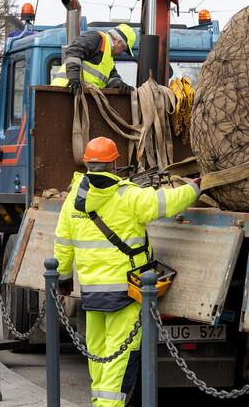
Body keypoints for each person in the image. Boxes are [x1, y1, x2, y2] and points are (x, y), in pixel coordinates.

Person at [53, 137, 200, 406]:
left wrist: (63, 280)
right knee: (121, 356)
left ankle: (99, 402)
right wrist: (194, 188)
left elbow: (62, 244)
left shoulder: (73, 199)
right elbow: (165, 202)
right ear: (114, 163)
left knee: (97, 354)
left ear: (87, 163)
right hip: (127, 292)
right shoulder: (128, 195)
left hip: (92, 294)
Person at [52, 23, 137, 95]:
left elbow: (112, 77)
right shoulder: (97, 38)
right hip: (65, 91)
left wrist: (120, 85)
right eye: (124, 49)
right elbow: (74, 50)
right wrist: (74, 78)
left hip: (79, 93)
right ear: (118, 42)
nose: (121, 53)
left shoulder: (108, 59)